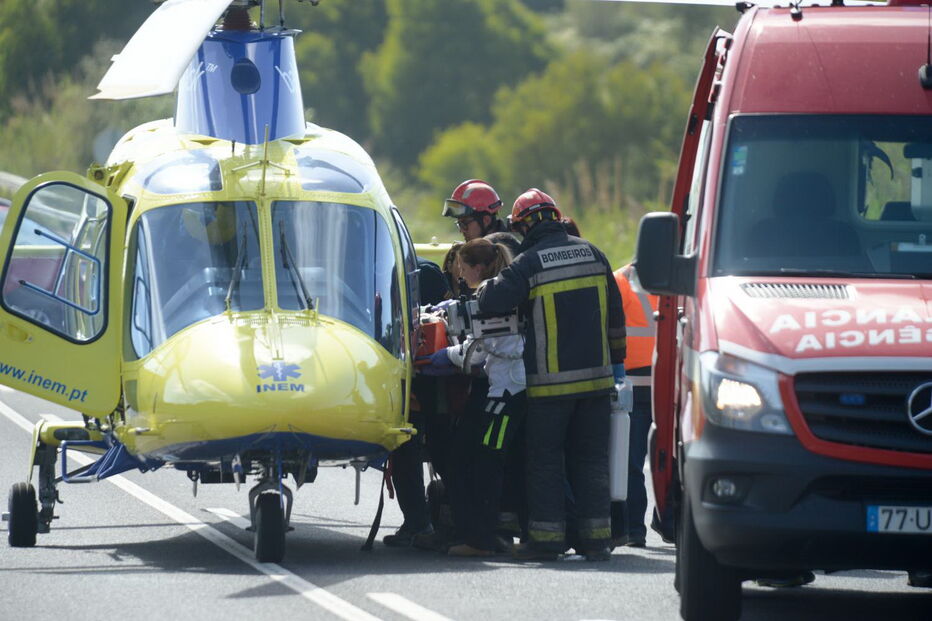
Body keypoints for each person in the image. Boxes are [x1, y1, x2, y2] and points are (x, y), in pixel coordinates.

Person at [477, 188, 626, 561]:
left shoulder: (529, 261)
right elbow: (616, 317)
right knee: (592, 461)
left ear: (524, 225)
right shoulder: (594, 253)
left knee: (545, 461)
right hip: (596, 383)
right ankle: (596, 540)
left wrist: (484, 286)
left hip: (550, 387)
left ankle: (546, 540)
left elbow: (493, 300)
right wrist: (616, 365)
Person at [422, 238, 527, 557]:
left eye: (463, 268)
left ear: (477, 268)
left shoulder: (492, 297)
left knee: (484, 463)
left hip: (505, 394)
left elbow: (476, 353)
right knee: (478, 462)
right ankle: (484, 535)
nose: (460, 275)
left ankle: (480, 539)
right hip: (507, 389)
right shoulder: (500, 292)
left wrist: (440, 357)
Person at [382, 258, 451, 547]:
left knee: (408, 459)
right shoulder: (437, 313)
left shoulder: (399, 297)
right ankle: (435, 523)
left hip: (418, 400)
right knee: (444, 460)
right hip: (437, 398)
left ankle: (421, 524)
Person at [610, 263, 658, 548]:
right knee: (675, 462)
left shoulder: (621, 280)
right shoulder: (685, 277)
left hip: (633, 385)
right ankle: (672, 525)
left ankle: (633, 529)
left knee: (631, 462)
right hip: (672, 383)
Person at [443, 179, 509, 242]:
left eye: (464, 224)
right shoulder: (480, 250)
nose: (461, 231)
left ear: (486, 220)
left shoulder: (508, 252)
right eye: (459, 224)